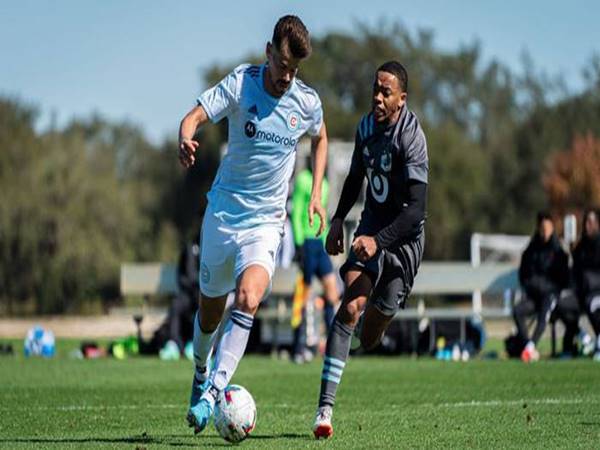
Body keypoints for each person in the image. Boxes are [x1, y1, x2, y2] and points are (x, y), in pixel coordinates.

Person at [178, 15, 328, 434]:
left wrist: (315, 192)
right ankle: (200, 370)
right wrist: (185, 137)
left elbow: (321, 137)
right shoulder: (242, 83)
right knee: (209, 315)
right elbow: (194, 117)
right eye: (281, 66)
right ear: (268, 52)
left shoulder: (306, 101)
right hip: (223, 213)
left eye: (294, 71)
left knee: (248, 296)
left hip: (265, 221)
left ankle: (213, 393)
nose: (285, 77)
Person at [312, 61, 428, 439]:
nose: (377, 98)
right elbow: (356, 178)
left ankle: (374, 318)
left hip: (406, 242)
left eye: (386, 92)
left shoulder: (412, 138)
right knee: (350, 306)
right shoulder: (365, 128)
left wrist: (381, 242)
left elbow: (416, 211)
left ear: (402, 99)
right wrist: (337, 219)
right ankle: (324, 410)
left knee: (371, 334)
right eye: (375, 90)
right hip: (372, 227)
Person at [290, 157, 339, 363]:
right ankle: (298, 347)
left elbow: (324, 216)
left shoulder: (325, 184)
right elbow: (297, 211)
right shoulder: (302, 180)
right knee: (304, 293)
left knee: (332, 291)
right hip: (307, 242)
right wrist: (299, 242)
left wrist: (328, 237)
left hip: (320, 243)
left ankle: (332, 344)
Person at [514, 212, 569, 363]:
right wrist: (530, 286)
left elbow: (563, 277)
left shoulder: (558, 251)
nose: (545, 231)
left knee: (544, 315)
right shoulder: (531, 250)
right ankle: (528, 346)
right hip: (533, 296)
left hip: (550, 295)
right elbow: (524, 273)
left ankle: (530, 348)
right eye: (542, 228)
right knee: (518, 310)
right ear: (538, 228)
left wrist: (550, 288)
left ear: (552, 228)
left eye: (548, 227)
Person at [572, 208, 600, 360]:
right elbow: (577, 269)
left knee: (592, 304)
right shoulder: (581, 245)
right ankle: (586, 339)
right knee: (563, 306)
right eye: (586, 223)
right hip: (582, 293)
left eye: (591, 222)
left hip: (595, 292)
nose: (588, 226)